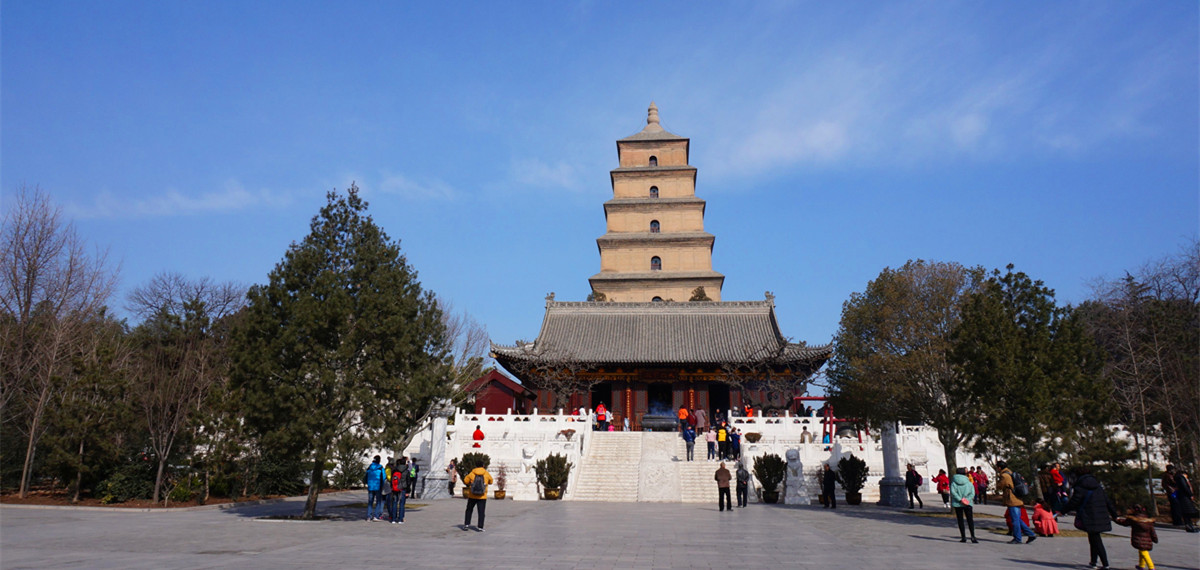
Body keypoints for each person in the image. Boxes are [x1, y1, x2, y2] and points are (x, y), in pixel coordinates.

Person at [1059, 466, 1116, 568]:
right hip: (1101, 515)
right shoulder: (1098, 486)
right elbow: (1108, 502)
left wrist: (1062, 511)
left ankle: (1105, 564)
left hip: (1089, 516)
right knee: (1093, 538)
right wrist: (1115, 515)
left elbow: (1074, 502)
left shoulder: (1080, 487)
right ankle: (1093, 562)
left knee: (1096, 540)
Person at [996, 460, 1036, 544]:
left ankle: (1017, 538)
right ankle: (1030, 534)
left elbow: (1000, 486)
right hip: (1017, 498)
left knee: (1015, 520)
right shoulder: (1010, 472)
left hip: (1012, 499)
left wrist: (998, 482)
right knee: (1017, 519)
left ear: (999, 468)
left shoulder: (1005, 475)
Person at [1115, 504, 1158, 570]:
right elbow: (1152, 531)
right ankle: (1141, 565)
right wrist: (1155, 538)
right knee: (1142, 550)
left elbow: (1124, 523)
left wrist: (1116, 519)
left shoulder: (1133, 519)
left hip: (1138, 538)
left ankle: (1151, 567)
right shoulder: (1148, 520)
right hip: (1147, 539)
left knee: (1143, 552)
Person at [461, 459, 493, 532]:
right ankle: (480, 527)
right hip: (482, 496)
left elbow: (466, 480)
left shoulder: (472, 473)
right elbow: (491, 481)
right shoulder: (486, 473)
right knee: (481, 512)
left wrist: (470, 484)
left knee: (469, 510)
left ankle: (466, 524)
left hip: (472, 495)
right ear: (483, 466)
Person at [950, 467, 977, 543]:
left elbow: (953, 492)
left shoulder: (954, 483)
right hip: (968, 503)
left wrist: (960, 499)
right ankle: (973, 536)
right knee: (970, 520)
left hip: (958, 503)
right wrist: (967, 500)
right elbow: (972, 492)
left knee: (960, 520)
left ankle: (963, 537)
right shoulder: (968, 482)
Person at [1171, 467, 1199, 533]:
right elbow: (1185, 487)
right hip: (1184, 497)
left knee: (1187, 512)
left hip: (1183, 497)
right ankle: (1189, 526)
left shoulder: (1179, 478)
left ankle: (1190, 525)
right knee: (1187, 512)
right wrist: (1190, 494)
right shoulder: (1181, 478)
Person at [364, 455, 386, 521]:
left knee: (370, 502)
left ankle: (369, 516)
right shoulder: (380, 468)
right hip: (378, 486)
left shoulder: (369, 468)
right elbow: (384, 477)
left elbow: (366, 476)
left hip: (370, 486)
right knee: (378, 501)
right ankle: (376, 516)